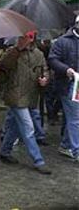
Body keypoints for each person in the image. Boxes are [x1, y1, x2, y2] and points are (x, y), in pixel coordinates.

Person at [0, 31, 52, 174]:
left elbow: (45, 70)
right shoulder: (12, 51)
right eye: (24, 36)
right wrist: (17, 49)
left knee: (15, 127)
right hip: (15, 95)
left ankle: (5, 151)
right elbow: (3, 65)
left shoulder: (38, 54)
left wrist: (44, 79)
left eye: (30, 36)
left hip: (31, 95)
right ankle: (38, 160)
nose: (27, 38)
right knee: (28, 128)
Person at [48, 16, 79, 162]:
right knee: (75, 118)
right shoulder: (62, 41)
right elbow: (52, 60)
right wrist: (67, 70)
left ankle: (66, 145)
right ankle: (76, 150)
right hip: (68, 85)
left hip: (76, 84)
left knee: (73, 118)